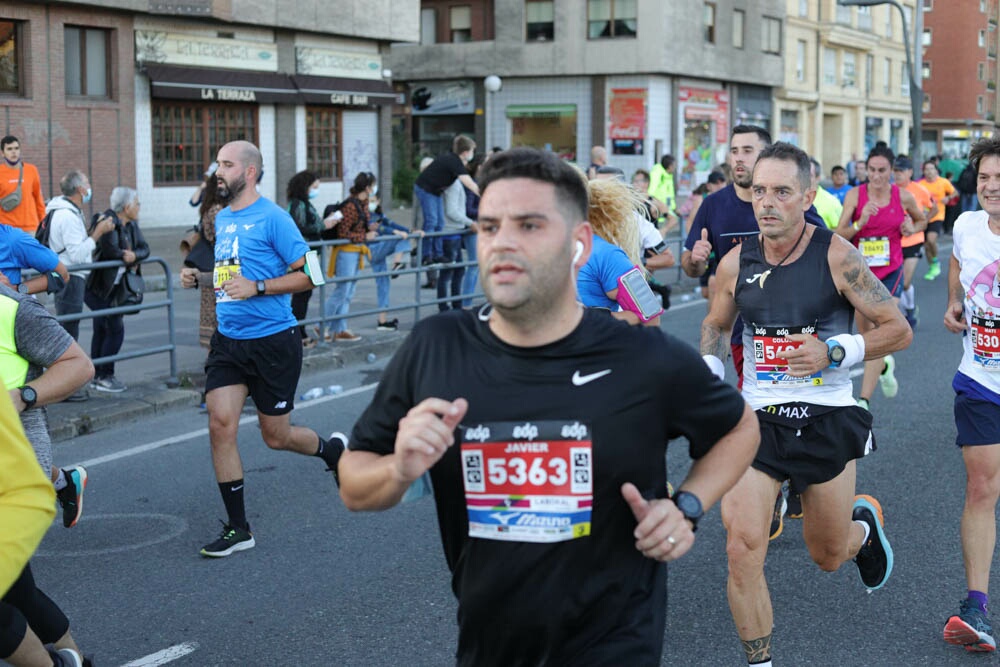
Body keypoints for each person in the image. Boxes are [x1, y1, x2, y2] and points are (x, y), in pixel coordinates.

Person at [338, 147, 760, 665]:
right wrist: (399, 468)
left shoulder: (643, 355)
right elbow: (355, 484)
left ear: (579, 243)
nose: (504, 243)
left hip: (615, 644)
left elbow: (739, 426)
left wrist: (687, 508)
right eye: (489, 226)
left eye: (530, 226)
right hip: (490, 646)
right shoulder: (436, 346)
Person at [700, 142, 912, 666]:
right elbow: (715, 324)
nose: (766, 202)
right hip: (758, 418)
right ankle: (761, 662)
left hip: (828, 415)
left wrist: (835, 350)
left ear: (808, 196)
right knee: (741, 547)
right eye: (759, 191)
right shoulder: (736, 262)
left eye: (782, 192)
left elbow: (898, 330)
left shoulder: (837, 255)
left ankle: (860, 535)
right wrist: (709, 376)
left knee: (826, 555)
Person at [179, 140, 345, 558]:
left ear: (249, 172)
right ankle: (238, 528)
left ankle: (332, 451)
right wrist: (200, 279)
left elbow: (312, 274)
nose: (219, 171)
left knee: (277, 436)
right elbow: (232, 275)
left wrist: (260, 287)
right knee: (221, 425)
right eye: (217, 162)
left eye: (227, 164)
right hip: (229, 342)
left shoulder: (274, 217)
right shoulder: (224, 219)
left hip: (273, 342)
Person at [683, 125, 827, 386]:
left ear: (766, 157)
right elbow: (690, 268)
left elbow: (823, 252)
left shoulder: (792, 204)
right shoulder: (714, 205)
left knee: (795, 406)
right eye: (734, 151)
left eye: (748, 151)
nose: (739, 158)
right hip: (743, 330)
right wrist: (696, 259)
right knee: (756, 408)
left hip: (796, 327)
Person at [0, 282, 96, 667]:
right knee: (17, 589)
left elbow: (79, 366)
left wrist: (23, 396)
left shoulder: (12, 308)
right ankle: (73, 659)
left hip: (14, 469)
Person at [942, 136, 1000, 653]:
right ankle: (976, 606)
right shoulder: (965, 226)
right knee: (982, 488)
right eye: (984, 178)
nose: (991, 187)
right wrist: (955, 301)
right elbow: (960, 262)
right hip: (981, 378)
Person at [836, 145, 925, 411]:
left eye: (882, 171)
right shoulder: (855, 195)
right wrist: (859, 222)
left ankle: (863, 401)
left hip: (890, 271)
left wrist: (911, 226)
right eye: (872, 170)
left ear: (891, 171)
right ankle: (884, 364)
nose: (876, 176)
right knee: (867, 336)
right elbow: (840, 234)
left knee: (879, 330)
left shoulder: (903, 196)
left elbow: (921, 221)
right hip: (861, 275)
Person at [83, 187, 149, 393]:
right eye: (137, 203)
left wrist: (135, 256)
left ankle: (98, 375)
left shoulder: (132, 225)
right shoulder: (108, 221)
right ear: (127, 206)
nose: (139, 207)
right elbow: (110, 249)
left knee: (102, 328)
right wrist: (126, 256)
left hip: (115, 288)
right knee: (114, 329)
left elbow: (145, 248)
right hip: (97, 287)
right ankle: (104, 375)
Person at [46, 170, 115, 343]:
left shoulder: (66, 211)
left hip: (67, 273)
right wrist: (98, 233)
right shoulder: (67, 215)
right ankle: (68, 367)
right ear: (80, 189)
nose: (90, 188)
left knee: (68, 328)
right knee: (69, 332)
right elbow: (76, 254)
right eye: (87, 184)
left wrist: (92, 231)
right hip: (71, 276)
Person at [322, 172, 378, 342]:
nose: (375, 189)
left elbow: (359, 227)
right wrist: (364, 237)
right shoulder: (350, 206)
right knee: (342, 290)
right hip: (346, 251)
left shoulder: (364, 203)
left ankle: (340, 329)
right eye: (373, 186)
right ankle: (321, 324)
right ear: (367, 188)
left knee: (348, 292)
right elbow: (343, 233)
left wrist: (369, 228)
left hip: (356, 251)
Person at [413, 135, 479, 264]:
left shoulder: (454, 161)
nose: (472, 154)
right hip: (425, 188)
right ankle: (426, 255)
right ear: (465, 153)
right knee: (431, 221)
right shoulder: (454, 161)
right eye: (472, 151)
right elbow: (468, 182)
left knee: (440, 223)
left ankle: (438, 254)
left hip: (435, 190)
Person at [892, 156, 934, 327]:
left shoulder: (919, 190)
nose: (898, 174)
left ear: (910, 172)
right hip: (893, 242)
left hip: (913, 240)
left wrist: (921, 223)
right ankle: (906, 311)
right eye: (895, 171)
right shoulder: (889, 190)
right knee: (896, 282)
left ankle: (907, 311)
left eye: (901, 171)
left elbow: (934, 208)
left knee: (905, 281)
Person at [285, 171, 325, 348]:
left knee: (306, 293)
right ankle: (298, 334)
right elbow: (298, 227)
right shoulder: (297, 205)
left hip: (311, 254)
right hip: (304, 255)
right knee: (301, 293)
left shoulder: (304, 203)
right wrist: (322, 225)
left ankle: (300, 331)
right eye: (313, 187)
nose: (315, 190)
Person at [367, 196, 416, 330]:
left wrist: (409, 231)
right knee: (401, 238)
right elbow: (381, 228)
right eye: (370, 200)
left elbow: (392, 224)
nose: (372, 203)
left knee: (383, 284)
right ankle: (397, 263)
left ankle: (382, 321)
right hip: (373, 250)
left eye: (375, 200)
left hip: (378, 250)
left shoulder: (379, 214)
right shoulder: (366, 215)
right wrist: (398, 232)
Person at [190, 174, 227, 350]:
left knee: (210, 309)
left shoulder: (209, 208)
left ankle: (213, 351)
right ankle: (216, 352)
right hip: (217, 266)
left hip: (209, 266)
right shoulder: (218, 211)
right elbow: (221, 238)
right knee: (216, 310)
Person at [439, 170, 473, 312]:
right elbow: (452, 211)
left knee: (457, 270)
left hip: (453, 232)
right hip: (451, 232)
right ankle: (446, 306)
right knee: (448, 272)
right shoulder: (453, 185)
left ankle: (453, 304)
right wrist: (470, 222)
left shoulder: (452, 184)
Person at [0, 136, 46, 235]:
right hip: (7, 228)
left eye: (16, 148)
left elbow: (38, 197)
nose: (14, 152)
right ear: (2, 153)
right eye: (9, 149)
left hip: (30, 227)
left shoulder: (31, 170)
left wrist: (43, 219)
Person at [921, 159, 958, 281]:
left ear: (936, 171)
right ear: (924, 171)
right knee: (926, 246)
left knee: (931, 240)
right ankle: (932, 267)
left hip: (938, 215)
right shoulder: (920, 184)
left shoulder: (943, 182)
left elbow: (955, 193)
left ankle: (936, 261)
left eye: (932, 169)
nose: (929, 171)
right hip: (924, 217)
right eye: (927, 169)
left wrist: (948, 198)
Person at [809, 157, 843, 230]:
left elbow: (840, 233)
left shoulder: (832, 202)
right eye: (801, 174)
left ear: (818, 178)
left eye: (809, 175)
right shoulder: (790, 199)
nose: (804, 178)